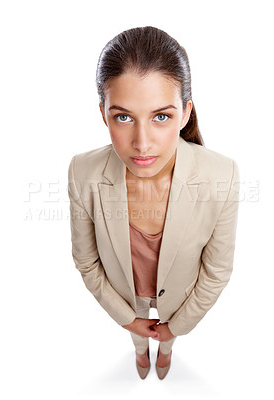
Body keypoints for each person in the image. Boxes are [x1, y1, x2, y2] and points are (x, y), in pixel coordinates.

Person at [67, 26, 240, 380]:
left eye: (161, 116)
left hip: (180, 300)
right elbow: (86, 261)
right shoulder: (83, 172)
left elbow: (216, 271)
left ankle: (165, 354)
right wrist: (130, 320)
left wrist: (174, 329)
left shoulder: (222, 175)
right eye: (123, 117)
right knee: (138, 338)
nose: (142, 143)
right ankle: (141, 353)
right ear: (104, 114)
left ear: (185, 113)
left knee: (166, 339)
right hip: (125, 299)